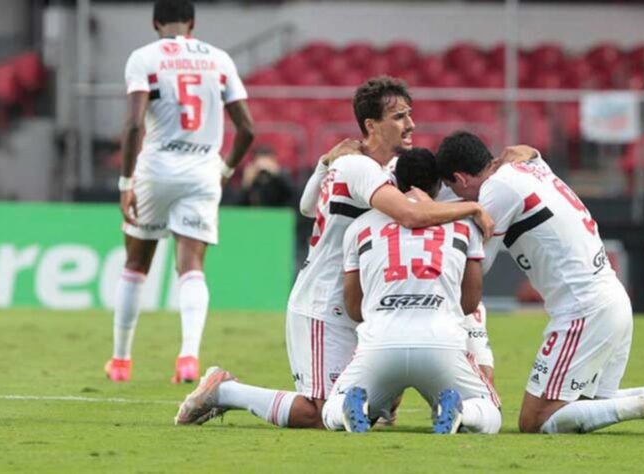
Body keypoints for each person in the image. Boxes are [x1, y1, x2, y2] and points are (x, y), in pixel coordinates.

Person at [174, 76, 494, 428]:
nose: (411, 124)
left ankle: (385, 405)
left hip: (360, 301)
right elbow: (411, 214)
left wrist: (324, 163)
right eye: (400, 117)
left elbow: (307, 207)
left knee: (363, 410)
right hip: (324, 304)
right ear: (371, 125)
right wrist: (471, 210)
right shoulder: (358, 167)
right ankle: (225, 391)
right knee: (320, 412)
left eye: (409, 114)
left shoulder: (371, 167)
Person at [435, 131, 644, 436]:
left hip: (582, 309)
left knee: (535, 421)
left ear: (461, 179)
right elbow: (527, 150)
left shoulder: (495, 190)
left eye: (455, 190)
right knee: (591, 403)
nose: (461, 200)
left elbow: (478, 265)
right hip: (611, 297)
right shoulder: (527, 167)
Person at [105, 0, 255, 384]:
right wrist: (225, 170)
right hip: (203, 170)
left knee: (136, 265)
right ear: (193, 22)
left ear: (155, 22)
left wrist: (126, 183)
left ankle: (121, 361)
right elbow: (248, 130)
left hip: (156, 169)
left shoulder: (144, 58)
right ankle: (188, 358)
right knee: (191, 268)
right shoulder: (219, 60)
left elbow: (134, 126)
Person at [321, 147, 501, 434]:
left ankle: (351, 406)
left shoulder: (359, 227)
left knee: (332, 409)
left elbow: (354, 308)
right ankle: (461, 411)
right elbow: (470, 302)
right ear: (440, 185)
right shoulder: (465, 225)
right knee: (490, 413)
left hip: (380, 344)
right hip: (441, 343)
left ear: (394, 182)